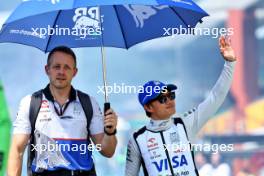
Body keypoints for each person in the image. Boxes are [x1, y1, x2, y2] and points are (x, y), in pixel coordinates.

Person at [125, 36, 237, 176]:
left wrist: (230, 63)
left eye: (171, 96)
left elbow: (216, 97)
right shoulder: (137, 139)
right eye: (162, 99)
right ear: (148, 107)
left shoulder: (185, 124)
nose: (170, 101)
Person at [7, 46, 118, 176]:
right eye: (56, 66)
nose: (61, 72)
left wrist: (110, 132)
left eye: (67, 67)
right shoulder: (30, 102)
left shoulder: (89, 103)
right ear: (47, 69)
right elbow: (17, 150)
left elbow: (107, 151)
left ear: (75, 72)